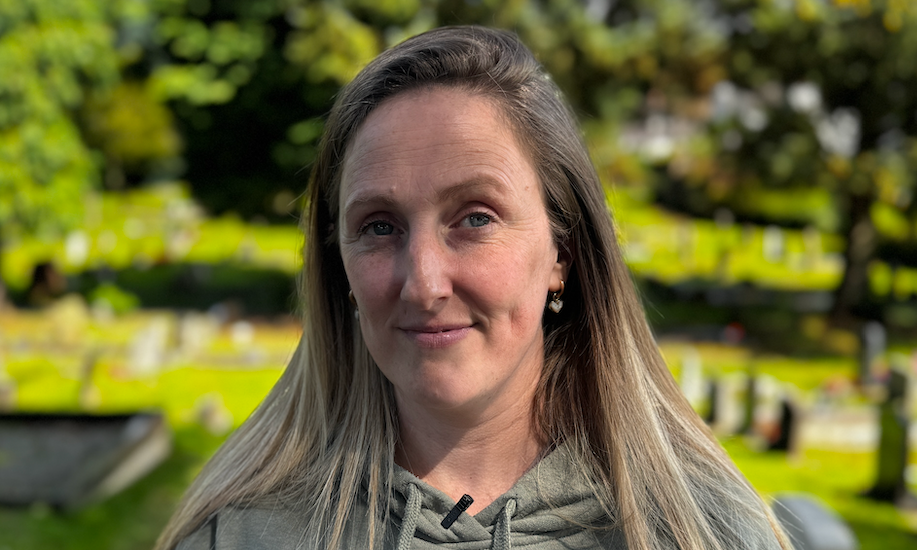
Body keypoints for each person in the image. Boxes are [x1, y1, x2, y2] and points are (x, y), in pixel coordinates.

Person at [158, 26, 791, 550]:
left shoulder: (704, 532)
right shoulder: (239, 536)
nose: (424, 282)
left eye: (475, 218)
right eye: (379, 226)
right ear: (339, 269)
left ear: (562, 254)